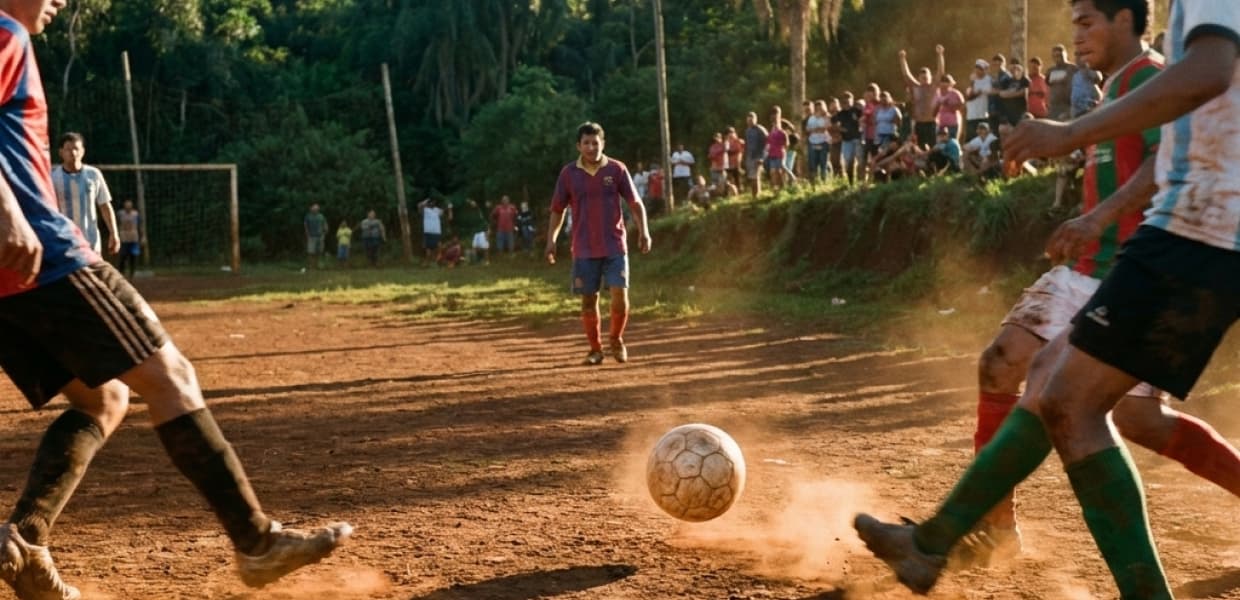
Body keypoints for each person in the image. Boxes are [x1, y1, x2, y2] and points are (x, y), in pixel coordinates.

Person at [854, 2, 1240, 598]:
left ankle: (938, 542)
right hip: (1185, 230)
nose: (1077, 34)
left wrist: (1069, 136)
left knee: (1081, 405)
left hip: (1200, 229)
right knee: (1049, 386)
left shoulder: (1168, 55)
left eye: (1087, 20)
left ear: (1124, 19)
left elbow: (1209, 74)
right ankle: (936, 541)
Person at [0, 3, 351, 599]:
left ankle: (27, 542)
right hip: (46, 258)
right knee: (172, 376)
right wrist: (9, 212)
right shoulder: (5, 31)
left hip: (9, 279)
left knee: (105, 398)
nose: (61, 1)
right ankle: (256, 542)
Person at [544, 122, 651, 366]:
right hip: (583, 247)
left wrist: (644, 231)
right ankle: (595, 349)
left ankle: (616, 339)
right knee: (588, 300)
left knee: (619, 293)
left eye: (595, 142)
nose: (591, 147)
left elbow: (635, 203)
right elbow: (558, 209)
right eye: (586, 143)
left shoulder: (617, 169)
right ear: (578, 146)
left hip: (614, 244)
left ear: (603, 143)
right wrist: (551, 240)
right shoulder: (569, 174)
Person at [52, 132, 116, 259]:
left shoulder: (94, 174)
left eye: (76, 149)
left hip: (91, 242)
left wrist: (114, 233)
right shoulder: (53, 177)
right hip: (65, 243)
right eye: (68, 149)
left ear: (83, 151)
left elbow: (105, 205)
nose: (73, 153)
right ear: (61, 152)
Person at [899, 45, 946, 147]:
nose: (924, 78)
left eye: (926, 76)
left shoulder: (933, 87)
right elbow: (906, 74)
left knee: (933, 147)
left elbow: (940, 72)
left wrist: (940, 55)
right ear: (919, 78)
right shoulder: (916, 87)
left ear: (930, 77)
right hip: (919, 123)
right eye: (922, 76)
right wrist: (902, 59)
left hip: (931, 123)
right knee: (920, 147)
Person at [832, 92, 863, 185]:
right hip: (846, 140)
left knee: (860, 161)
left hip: (857, 138)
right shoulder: (840, 113)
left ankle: (861, 182)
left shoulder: (857, 111)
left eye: (848, 101)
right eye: (844, 102)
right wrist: (840, 129)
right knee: (848, 161)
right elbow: (833, 122)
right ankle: (851, 183)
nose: (846, 104)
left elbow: (864, 120)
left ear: (852, 101)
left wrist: (859, 123)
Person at [1046, 44, 1078, 120]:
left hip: (1069, 106)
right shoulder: (1050, 71)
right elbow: (1048, 86)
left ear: (1065, 54)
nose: (1058, 58)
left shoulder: (1073, 69)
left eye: (1060, 55)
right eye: (1055, 56)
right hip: (1054, 107)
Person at [965, 59, 993, 142]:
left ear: (985, 70)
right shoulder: (972, 79)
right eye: (977, 68)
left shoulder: (988, 80)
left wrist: (974, 92)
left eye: (981, 68)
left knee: (983, 139)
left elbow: (975, 94)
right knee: (971, 139)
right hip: (971, 115)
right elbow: (968, 95)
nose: (978, 70)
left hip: (983, 115)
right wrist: (972, 82)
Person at [933, 74, 965, 140]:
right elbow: (934, 112)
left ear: (951, 83)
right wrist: (939, 105)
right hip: (941, 124)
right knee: (941, 143)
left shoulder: (955, 93)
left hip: (953, 123)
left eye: (946, 81)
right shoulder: (937, 94)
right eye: (942, 81)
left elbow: (962, 106)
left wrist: (949, 105)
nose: (944, 84)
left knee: (952, 142)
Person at [805, 100, 830, 184]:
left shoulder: (826, 117)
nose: (819, 109)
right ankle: (814, 183)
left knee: (823, 163)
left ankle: (824, 182)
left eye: (820, 108)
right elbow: (807, 129)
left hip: (823, 142)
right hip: (812, 142)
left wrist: (816, 129)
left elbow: (826, 127)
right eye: (817, 108)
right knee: (813, 164)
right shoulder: (811, 118)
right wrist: (816, 129)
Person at [744, 112, 768, 197]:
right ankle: (754, 194)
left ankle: (757, 195)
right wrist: (745, 156)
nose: (750, 122)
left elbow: (767, 142)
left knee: (756, 176)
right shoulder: (747, 131)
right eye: (748, 120)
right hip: (750, 156)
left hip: (758, 155)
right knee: (751, 177)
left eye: (751, 120)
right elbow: (747, 144)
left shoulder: (760, 129)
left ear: (755, 119)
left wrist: (763, 157)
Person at [115, 199, 141, 279]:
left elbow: (140, 226)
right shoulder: (120, 214)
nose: (128, 208)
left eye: (129, 206)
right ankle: (121, 272)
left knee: (133, 256)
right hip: (124, 238)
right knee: (123, 256)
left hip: (133, 238)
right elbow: (116, 223)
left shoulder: (135, 214)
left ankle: (132, 273)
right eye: (127, 206)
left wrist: (142, 236)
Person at [417, 197, 448, 264]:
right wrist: (425, 201)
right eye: (431, 202)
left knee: (438, 247)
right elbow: (419, 206)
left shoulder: (437, 210)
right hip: (428, 232)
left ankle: (436, 260)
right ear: (428, 203)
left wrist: (447, 204)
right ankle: (427, 261)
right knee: (428, 248)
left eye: (434, 202)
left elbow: (443, 211)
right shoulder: (425, 210)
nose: (432, 203)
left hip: (437, 232)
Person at [302, 203, 327, 270]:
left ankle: (317, 265)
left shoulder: (321, 216)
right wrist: (307, 234)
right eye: (314, 208)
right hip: (311, 236)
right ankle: (311, 266)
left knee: (319, 252)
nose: (315, 210)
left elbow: (324, 224)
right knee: (311, 252)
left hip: (320, 236)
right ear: (311, 209)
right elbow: (305, 225)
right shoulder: (308, 216)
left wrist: (325, 231)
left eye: (317, 208)